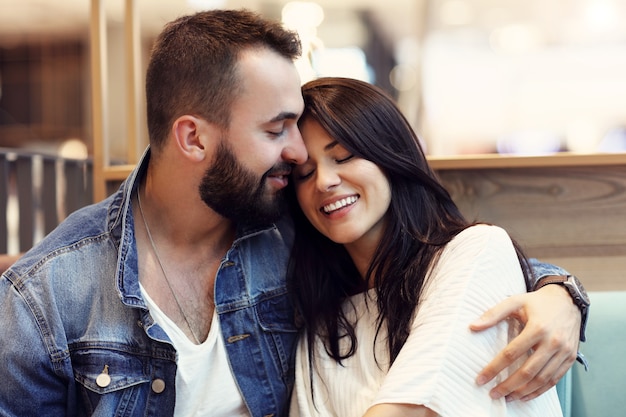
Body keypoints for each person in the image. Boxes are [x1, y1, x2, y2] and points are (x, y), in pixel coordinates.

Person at [0, 9, 584, 417]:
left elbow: (458, 261)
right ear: (194, 138)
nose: (300, 156)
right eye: (277, 128)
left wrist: (563, 295)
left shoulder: (289, 226)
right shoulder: (46, 296)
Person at [286, 77, 581, 416]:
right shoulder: (321, 326)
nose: (324, 182)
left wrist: (564, 291)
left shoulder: (476, 250)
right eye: (304, 173)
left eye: (344, 156)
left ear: (390, 155)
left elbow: (413, 410)